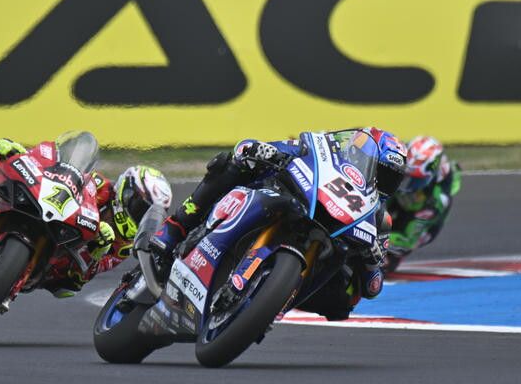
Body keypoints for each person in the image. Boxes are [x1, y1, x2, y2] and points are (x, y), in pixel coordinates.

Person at [149, 127, 407, 321]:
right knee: (228, 164)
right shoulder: (324, 154)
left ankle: (267, 303)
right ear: (358, 154)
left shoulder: (379, 218)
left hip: (314, 271)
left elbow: (373, 287)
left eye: (391, 178)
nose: (382, 181)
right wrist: (262, 151)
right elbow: (251, 147)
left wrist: (372, 262)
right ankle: (175, 227)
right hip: (281, 199)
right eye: (380, 171)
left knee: (343, 303)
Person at [0, 132, 173, 297]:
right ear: (127, 190)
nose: (139, 217)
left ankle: (2, 284)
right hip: (46, 212)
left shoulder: (124, 246)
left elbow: (81, 278)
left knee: (68, 288)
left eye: (147, 215)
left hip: (56, 263)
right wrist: (23, 154)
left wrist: (96, 251)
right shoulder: (99, 186)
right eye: (139, 207)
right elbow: (62, 173)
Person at [384, 135, 461, 273]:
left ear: (431, 176)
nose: (405, 184)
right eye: (404, 175)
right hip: (409, 197)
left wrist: (378, 240)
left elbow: (409, 239)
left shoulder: (437, 199)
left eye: (414, 180)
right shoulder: (404, 158)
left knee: (385, 261)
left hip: (421, 221)